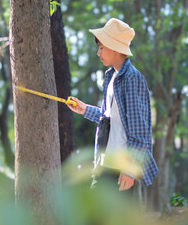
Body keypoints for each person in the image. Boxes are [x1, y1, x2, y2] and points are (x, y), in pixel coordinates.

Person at [67, 18, 158, 193]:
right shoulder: (111, 77)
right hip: (104, 163)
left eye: (101, 48)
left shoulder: (132, 78)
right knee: (93, 220)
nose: (98, 53)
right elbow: (110, 118)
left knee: (107, 221)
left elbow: (139, 131)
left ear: (115, 48)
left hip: (120, 167)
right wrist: (84, 109)